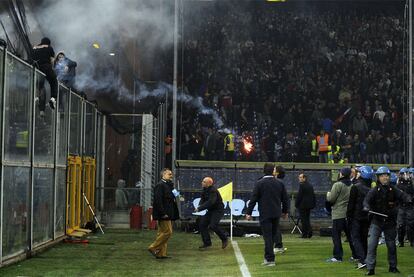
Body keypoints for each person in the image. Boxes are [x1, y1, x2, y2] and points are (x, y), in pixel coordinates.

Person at [363, 166, 412, 275]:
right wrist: (366, 207)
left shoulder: (393, 189)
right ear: (378, 178)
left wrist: (408, 199)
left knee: (391, 246)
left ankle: (393, 267)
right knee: (372, 245)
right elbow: (366, 201)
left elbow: (403, 195)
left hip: (390, 222)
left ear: (389, 177)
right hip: (377, 221)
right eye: (382, 175)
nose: (385, 177)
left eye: (386, 175)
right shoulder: (374, 190)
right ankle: (370, 268)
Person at [246, 163, 289, 266]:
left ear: (264, 171)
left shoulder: (259, 183)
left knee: (267, 237)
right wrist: (285, 212)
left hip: (265, 213)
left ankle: (269, 259)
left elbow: (253, 199)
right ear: (273, 171)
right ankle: (270, 257)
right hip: (276, 213)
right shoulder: (280, 183)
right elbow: (285, 199)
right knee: (273, 235)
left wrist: (248, 213)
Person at [326, 167, 356, 262]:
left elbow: (331, 199)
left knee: (336, 236)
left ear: (342, 174)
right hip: (349, 215)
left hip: (338, 214)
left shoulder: (337, 184)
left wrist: (328, 194)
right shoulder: (353, 185)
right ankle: (356, 255)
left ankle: (338, 257)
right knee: (351, 237)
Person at [148, 168, 179, 259]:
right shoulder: (160, 185)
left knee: (162, 233)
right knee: (168, 232)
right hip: (164, 213)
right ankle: (153, 247)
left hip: (168, 212)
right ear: (163, 175)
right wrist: (162, 213)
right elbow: (158, 201)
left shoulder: (168, 185)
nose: (171, 176)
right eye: (169, 174)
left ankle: (161, 254)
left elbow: (175, 195)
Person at [347, 165, 374, 269]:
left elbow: (351, 204)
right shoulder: (371, 189)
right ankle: (366, 259)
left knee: (356, 238)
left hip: (356, 216)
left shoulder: (356, 187)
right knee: (363, 238)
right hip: (366, 217)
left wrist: (348, 216)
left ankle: (362, 260)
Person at [195, 177, 228, 249]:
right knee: (202, 224)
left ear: (209, 183)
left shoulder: (213, 191)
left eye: (204, 182)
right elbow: (202, 199)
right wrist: (199, 206)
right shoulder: (204, 190)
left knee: (213, 225)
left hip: (218, 210)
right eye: (202, 181)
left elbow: (211, 202)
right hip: (210, 210)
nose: (202, 183)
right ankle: (207, 243)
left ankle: (224, 238)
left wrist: (200, 208)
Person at [32, 37, 58, 111]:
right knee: (53, 81)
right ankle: (53, 99)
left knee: (40, 85)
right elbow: (52, 60)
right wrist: (52, 68)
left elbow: (32, 57)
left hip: (37, 68)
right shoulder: (49, 48)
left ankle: (38, 99)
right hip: (46, 67)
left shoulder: (35, 48)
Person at [396, 167, 414, 247]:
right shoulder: (398, 184)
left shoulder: (411, 184)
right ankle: (401, 241)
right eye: (403, 174)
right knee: (400, 225)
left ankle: (412, 241)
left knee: (411, 225)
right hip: (401, 207)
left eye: (406, 173)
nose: (405, 175)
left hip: (410, 207)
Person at [295, 173, 316, 238]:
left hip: (303, 206)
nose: (299, 178)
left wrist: (296, 204)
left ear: (304, 178)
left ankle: (305, 234)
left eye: (301, 177)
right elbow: (313, 196)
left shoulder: (302, 185)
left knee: (304, 220)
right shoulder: (310, 185)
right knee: (307, 219)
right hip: (309, 206)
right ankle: (309, 233)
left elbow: (299, 196)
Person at [273, 165, 287, 253]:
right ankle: (279, 245)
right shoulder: (279, 182)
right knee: (276, 226)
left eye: (274, 169)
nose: (273, 170)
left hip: (276, 207)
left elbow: (284, 198)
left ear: (277, 172)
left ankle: (278, 245)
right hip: (277, 207)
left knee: (275, 227)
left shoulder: (277, 182)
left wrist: (284, 210)